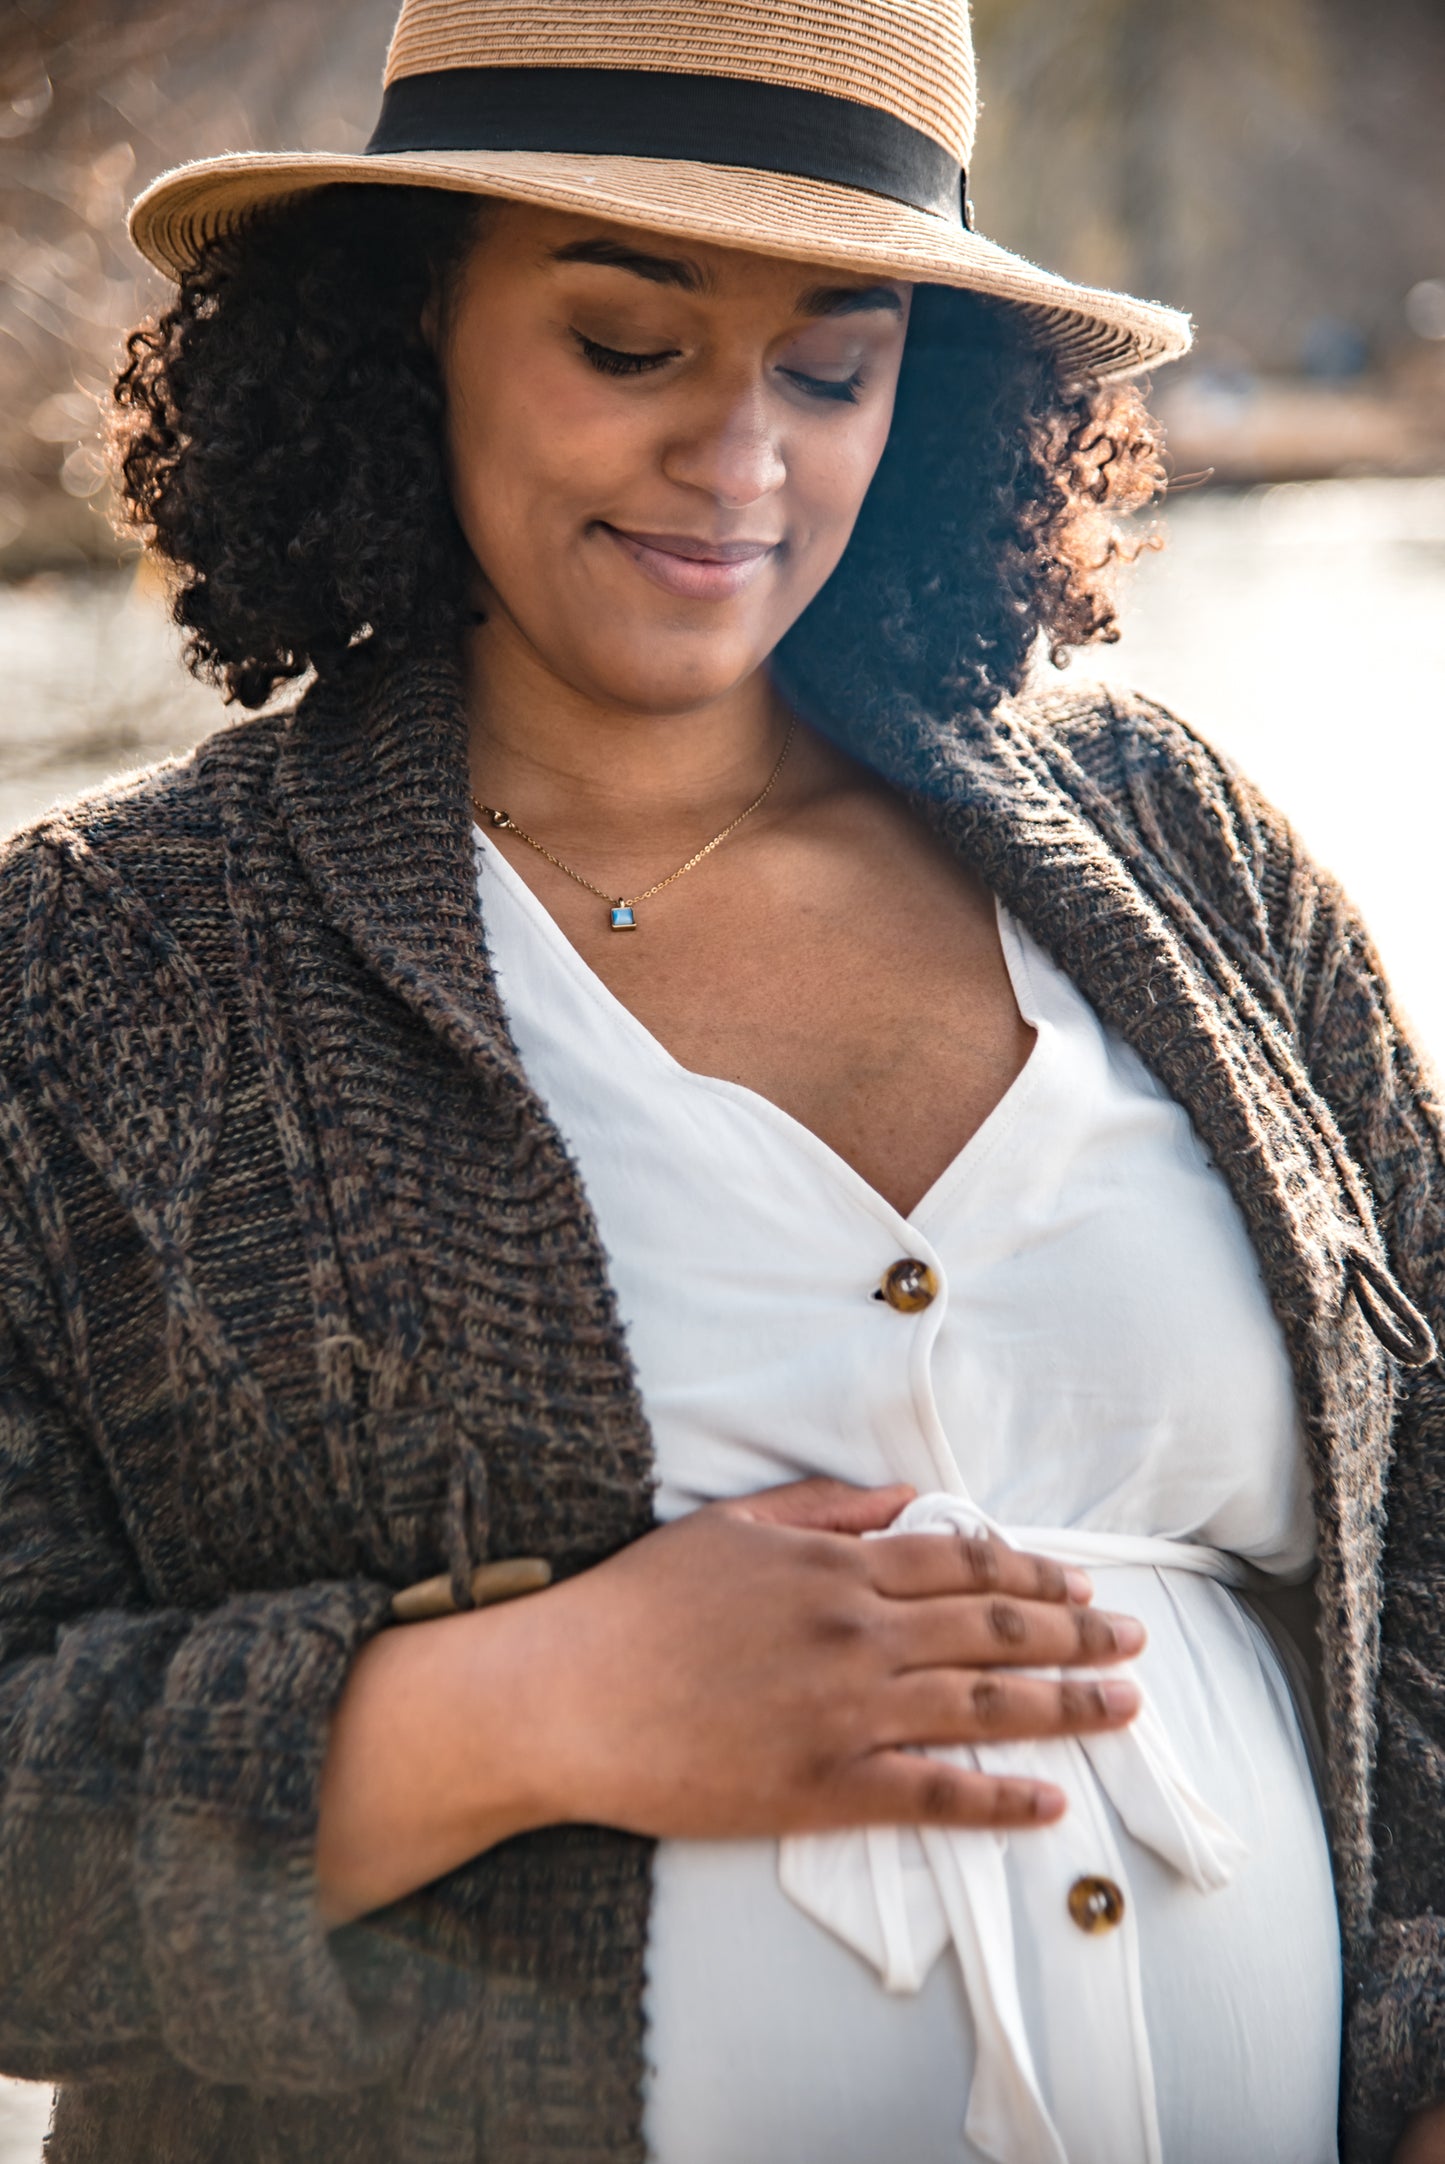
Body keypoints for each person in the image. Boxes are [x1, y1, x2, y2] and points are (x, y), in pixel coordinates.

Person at [0, 1, 1441, 2159]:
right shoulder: (107, 967)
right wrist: (516, 1707)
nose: (741, 457)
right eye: (625, 342)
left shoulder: (1183, 853)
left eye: (829, 365)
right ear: (413, 327)